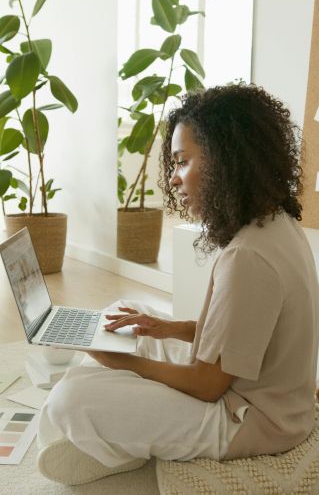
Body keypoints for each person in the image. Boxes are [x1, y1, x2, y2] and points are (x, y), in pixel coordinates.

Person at [36, 83, 319, 486]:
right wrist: (169, 329)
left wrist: (122, 363)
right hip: (261, 397)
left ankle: (119, 442)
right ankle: (120, 425)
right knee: (125, 312)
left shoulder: (248, 258)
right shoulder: (277, 227)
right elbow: (247, 338)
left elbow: (207, 386)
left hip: (250, 421)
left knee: (70, 399)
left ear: (225, 160)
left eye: (182, 162)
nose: (173, 179)